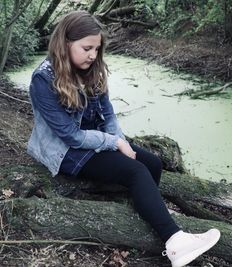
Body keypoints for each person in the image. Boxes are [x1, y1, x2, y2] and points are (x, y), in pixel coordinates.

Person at [27, 10, 220, 267]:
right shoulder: (43, 79)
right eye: (87, 48)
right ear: (65, 43)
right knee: (136, 172)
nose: (93, 55)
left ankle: (147, 209)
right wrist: (115, 144)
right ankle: (175, 241)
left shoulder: (91, 68)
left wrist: (120, 141)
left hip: (97, 140)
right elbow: (71, 136)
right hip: (67, 152)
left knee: (152, 164)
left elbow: (108, 115)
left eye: (97, 49)